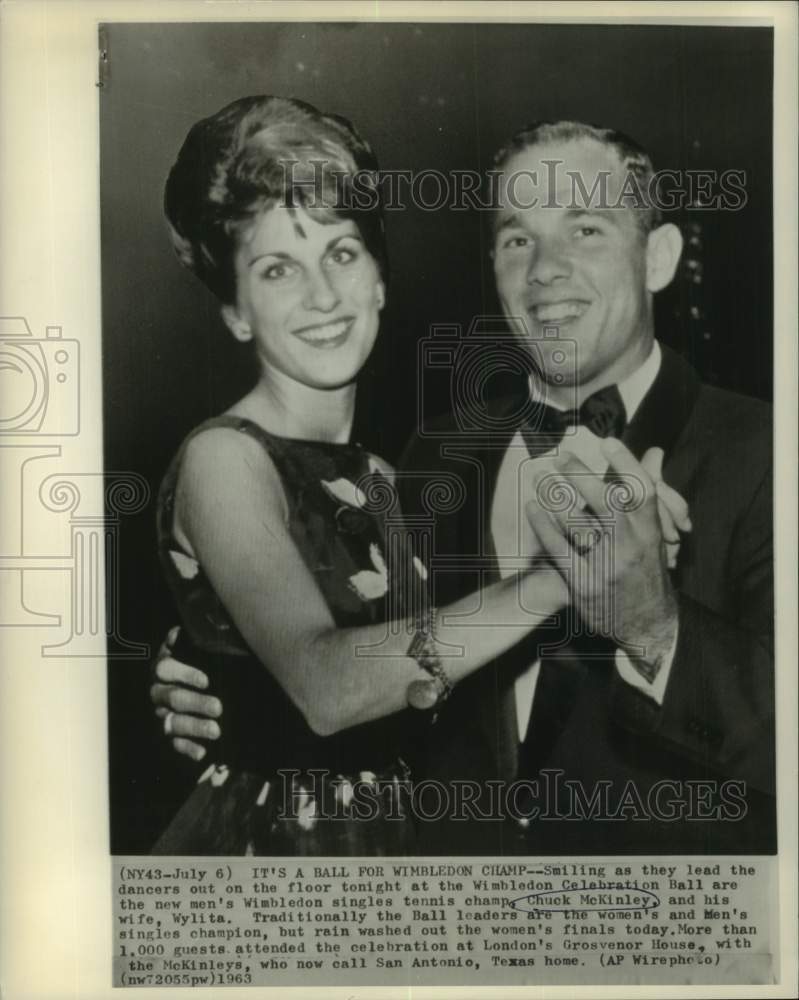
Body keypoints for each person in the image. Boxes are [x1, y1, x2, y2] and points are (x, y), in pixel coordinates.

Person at [153, 118, 773, 855]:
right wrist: (220, 668)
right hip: (438, 914)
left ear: (659, 258)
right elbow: (355, 659)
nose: (544, 269)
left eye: (584, 231)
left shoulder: (767, 451)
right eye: (517, 239)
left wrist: (654, 628)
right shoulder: (434, 457)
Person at [148, 96, 588, 856]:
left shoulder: (386, 472)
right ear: (235, 312)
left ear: (381, 277)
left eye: (342, 253)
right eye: (277, 268)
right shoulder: (224, 457)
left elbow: (433, 673)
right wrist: (558, 580)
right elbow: (326, 688)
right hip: (280, 854)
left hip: (408, 840)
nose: (321, 296)